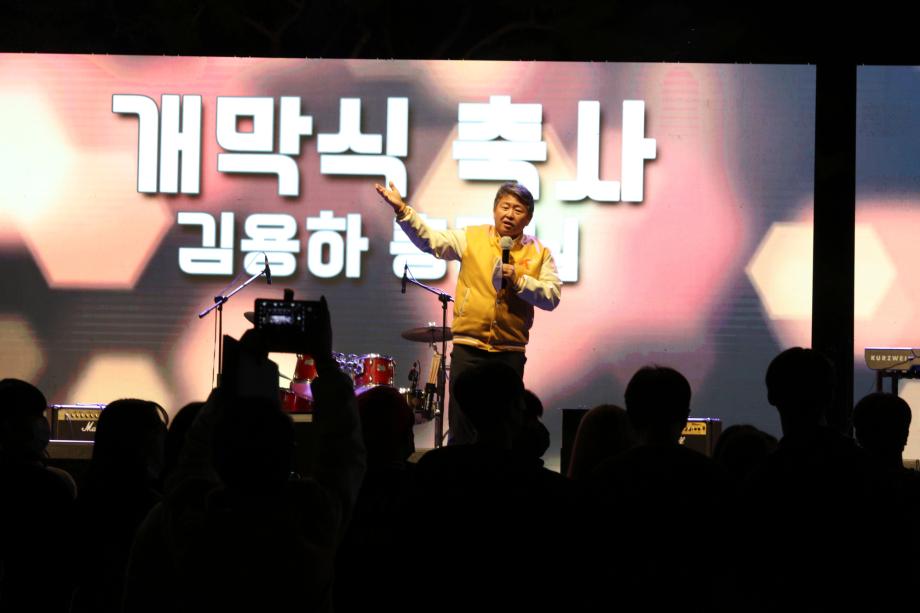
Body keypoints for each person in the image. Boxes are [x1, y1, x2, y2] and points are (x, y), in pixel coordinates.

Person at [374, 180, 562, 444]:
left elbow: (552, 296)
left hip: (509, 353)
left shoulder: (539, 253)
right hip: (469, 349)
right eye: (505, 206)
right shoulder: (472, 237)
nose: (509, 214)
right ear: (494, 210)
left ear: (528, 218)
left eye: (518, 209)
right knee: (462, 425)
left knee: (504, 429)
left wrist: (520, 281)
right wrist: (403, 210)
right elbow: (431, 241)